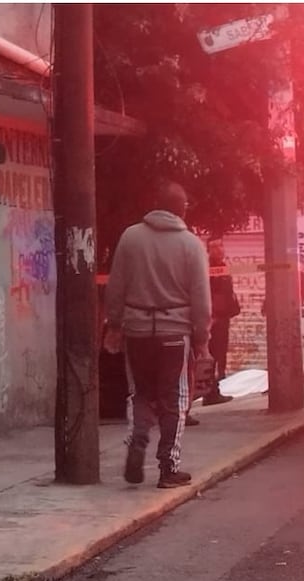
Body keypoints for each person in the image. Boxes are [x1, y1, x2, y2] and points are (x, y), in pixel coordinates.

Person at [104, 182, 212, 489]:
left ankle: (137, 441)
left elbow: (116, 287)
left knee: (140, 393)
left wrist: (114, 325)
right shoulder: (191, 245)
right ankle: (168, 467)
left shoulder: (130, 237)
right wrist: (202, 338)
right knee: (174, 399)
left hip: (137, 331)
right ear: (182, 209)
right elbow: (201, 300)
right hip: (175, 334)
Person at [203, 235, 239, 406]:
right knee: (212, 355)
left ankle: (213, 389)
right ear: (208, 250)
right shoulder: (209, 268)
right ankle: (210, 392)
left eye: (220, 246)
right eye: (214, 247)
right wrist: (213, 316)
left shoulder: (223, 267)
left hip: (223, 318)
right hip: (214, 320)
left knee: (219, 355)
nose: (219, 250)